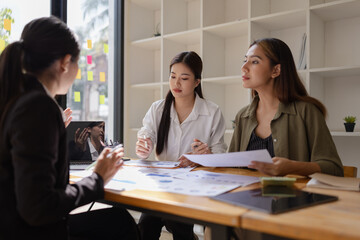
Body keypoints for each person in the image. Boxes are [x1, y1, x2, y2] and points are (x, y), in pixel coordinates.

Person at [0, 16, 139, 239]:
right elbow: (38, 207)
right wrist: (98, 178)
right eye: (78, 63)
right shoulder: (38, 106)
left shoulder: (15, 98)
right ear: (65, 63)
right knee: (120, 222)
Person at [135, 51, 227, 240]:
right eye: (173, 76)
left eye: (184, 78)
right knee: (145, 225)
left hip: (193, 185)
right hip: (162, 184)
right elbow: (147, 134)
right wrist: (143, 146)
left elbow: (219, 153)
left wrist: (207, 155)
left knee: (179, 226)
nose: (176, 84)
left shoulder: (212, 111)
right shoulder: (158, 109)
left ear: (197, 82)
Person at [229, 38, 343, 177]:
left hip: (293, 197)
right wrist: (207, 158)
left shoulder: (307, 112)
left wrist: (294, 167)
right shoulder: (242, 116)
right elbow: (231, 165)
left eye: (254, 61)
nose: (244, 67)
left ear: (276, 70)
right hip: (246, 196)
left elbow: (334, 168)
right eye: (244, 60)